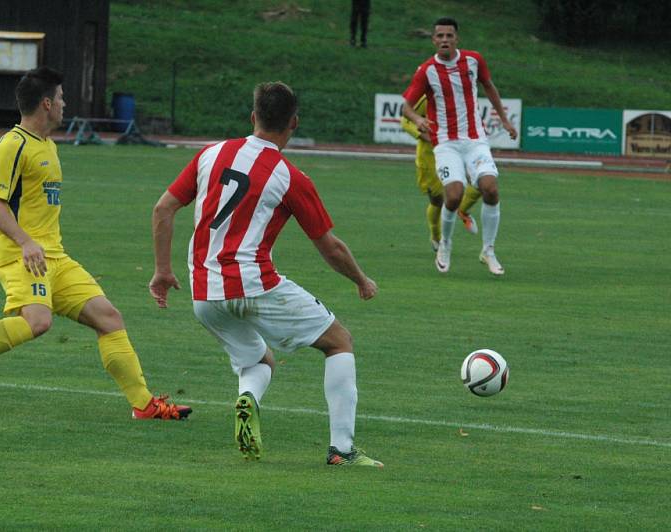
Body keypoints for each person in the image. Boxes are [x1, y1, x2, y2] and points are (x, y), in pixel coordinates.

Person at [0, 67, 191, 421]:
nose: (65, 105)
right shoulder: (12, 145)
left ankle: (143, 404)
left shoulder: (48, 145)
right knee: (38, 321)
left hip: (54, 257)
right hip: (21, 256)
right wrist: (24, 242)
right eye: (62, 98)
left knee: (109, 318)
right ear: (46, 103)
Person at [150, 81, 382, 467]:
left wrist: (161, 270)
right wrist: (361, 279)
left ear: (253, 117)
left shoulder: (211, 154)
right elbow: (331, 247)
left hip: (205, 295)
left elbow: (162, 209)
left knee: (259, 362)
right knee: (339, 341)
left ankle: (249, 401)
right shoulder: (290, 176)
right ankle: (342, 450)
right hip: (255, 284)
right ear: (294, 122)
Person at [402, 17, 517, 275]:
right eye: (440, 36)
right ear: (433, 40)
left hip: (475, 140)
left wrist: (506, 120)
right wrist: (418, 118)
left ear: (457, 39)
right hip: (446, 144)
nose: (444, 40)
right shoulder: (427, 70)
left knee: (491, 188)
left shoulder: (474, 60)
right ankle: (445, 244)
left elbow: (489, 86)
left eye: (449, 36)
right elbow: (406, 107)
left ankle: (488, 250)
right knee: (452, 196)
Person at [401, 94, 482, 252]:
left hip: (460, 149)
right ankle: (436, 236)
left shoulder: (465, 95)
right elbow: (405, 121)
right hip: (431, 156)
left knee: (481, 180)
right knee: (437, 200)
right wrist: (426, 136)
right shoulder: (428, 96)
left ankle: (463, 210)